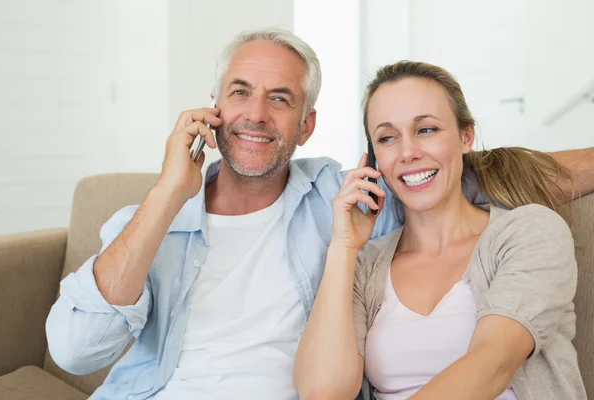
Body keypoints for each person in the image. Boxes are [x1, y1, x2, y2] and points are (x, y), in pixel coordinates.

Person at [45, 28, 592, 399]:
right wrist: (168, 193)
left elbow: (451, 174)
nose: (256, 115)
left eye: (280, 98)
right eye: (240, 93)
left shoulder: (342, 198)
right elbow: (73, 352)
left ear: (306, 125)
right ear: (213, 107)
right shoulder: (146, 221)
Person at [294, 61, 588, 400]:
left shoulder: (528, 232)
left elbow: (491, 365)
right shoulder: (366, 264)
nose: (407, 153)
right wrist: (343, 248)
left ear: (466, 137)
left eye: (426, 130)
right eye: (387, 138)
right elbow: (322, 392)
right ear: (374, 161)